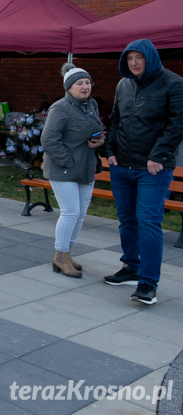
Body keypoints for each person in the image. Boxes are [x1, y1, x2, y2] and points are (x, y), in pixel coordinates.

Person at [104, 39, 183, 305]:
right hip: (122, 166)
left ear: (151, 57)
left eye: (139, 57)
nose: (134, 63)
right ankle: (131, 267)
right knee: (127, 220)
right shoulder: (123, 85)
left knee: (148, 222)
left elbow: (177, 124)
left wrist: (158, 156)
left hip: (153, 169)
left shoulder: (174, 84)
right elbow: (115, 119)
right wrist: (110, 150)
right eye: (129, 58)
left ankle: (148, 283)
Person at [40, 64, 104, 279]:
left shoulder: (91, 104)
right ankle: (61, 256)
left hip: (86, 166)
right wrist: (67, 161)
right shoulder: (60, 108)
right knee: (70, 212)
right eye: (79, 83)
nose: (85, 86)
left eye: (87, 82)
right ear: (69, 88)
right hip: (63, 168)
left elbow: (96, 129)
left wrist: (101, 139)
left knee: (80, 213)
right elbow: (49, 139)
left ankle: (66, 253)